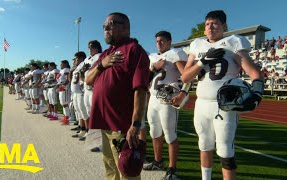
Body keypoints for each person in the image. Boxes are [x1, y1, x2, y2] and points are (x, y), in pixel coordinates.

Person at [181, 10, 264, 180]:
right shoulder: (197, 45)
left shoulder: (233, 42)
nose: (210, 27)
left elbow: (255, 73)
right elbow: (185, 76)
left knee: (225, 150)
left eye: (215, 23)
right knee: (204, 146)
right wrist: (203, 61)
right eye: (207, 24)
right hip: (201, 104)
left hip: (224, 105)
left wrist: (257, 92)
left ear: (224, 26)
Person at [86, 12, 150, 180]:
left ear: (125, 27)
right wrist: (102, 64)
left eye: (110, 24)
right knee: (110, 168)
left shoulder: (134, 50)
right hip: (104, 122)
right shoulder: (105, 54)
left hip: (121, 124)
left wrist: (136, 124)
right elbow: (88, 79)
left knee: (126, 171)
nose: (105, 29)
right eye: (104, 26)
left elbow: (140, 89)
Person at [143, 31, 188, 180]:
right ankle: (158, 162)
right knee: (154, 132)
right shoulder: (152, 58)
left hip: (167, 100)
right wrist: (153, 68)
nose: (159, 43)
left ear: (169, 41)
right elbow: (146, 79)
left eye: (162, 41)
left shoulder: (175, 53)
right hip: (154, 99)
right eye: (157, 41)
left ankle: (172, 169)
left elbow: (187, 76)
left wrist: (182, 93)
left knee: (170, 134)